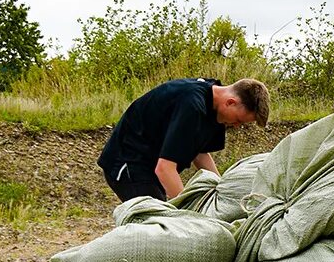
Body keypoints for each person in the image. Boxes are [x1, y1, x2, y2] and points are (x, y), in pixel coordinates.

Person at [98, 77, 268, 202]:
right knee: (157, 225)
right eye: (238, 120)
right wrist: (189, 215)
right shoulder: (192, 106)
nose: (237, 125)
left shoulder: (215, 105)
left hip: (151, 167)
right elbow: (165, 169)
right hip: (127, 162)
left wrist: (222, 189)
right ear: (230, 102)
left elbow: (200, 153)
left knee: (163, 222)